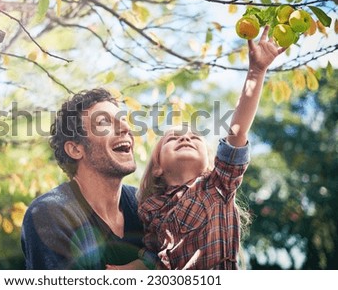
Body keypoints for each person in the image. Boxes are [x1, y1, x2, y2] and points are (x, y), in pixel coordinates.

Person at [106, 26, 286, 270]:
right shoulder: (150, 209)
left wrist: (256, 72)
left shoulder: (218, 186)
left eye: (195, 137)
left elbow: (237, 131)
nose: (185, 138)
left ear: (210, 163)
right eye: (172, 138)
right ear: (157, 167)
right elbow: (153, 258)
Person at [21, 88, 144, 269]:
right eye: (104, 122)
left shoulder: (143, 204)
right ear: (76, 149)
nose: (125, 128)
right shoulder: (50, 213)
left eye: (124, 120)